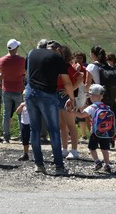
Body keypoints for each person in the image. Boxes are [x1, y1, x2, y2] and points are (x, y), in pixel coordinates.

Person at [24, 40, 76, 176]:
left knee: (34, 130)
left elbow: (27, 74)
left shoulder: (31, 53)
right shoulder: (57, 58)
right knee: (54, 130)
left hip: (30, 93)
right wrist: (72, 98)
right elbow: (67, 82)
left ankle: (39, 164)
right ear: (58, 49)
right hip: (47, 95)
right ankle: (59, 166)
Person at [75, 84, 112, 173]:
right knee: (104, 149)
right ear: (101, 96)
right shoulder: (106, 107)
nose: (89, 97)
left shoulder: (92, 107)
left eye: (90, 95)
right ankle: (107, 165)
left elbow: (82, 115)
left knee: (92, 148)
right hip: (106, 132)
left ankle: (97, 161)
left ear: (94, 96)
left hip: (95, 132)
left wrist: (73, 113)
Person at [0, 39, 26, 144]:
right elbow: (24, 71)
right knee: (21, 114)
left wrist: (1, 86)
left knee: (6, 114)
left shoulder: (1, 60)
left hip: (6, 89)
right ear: (16, 48)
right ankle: (23, 136)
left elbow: (0, 71)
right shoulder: (22, 60)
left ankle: (6, 137)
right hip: (18, 89)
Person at [56, 45, 83, 160]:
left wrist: (71, 89)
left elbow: (80, 77)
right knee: (61, 125)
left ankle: (74, 150)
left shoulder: (66, 66)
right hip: (57, 95)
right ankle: (65, 148)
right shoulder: (56, 66)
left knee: (70, 124)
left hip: (66, 97)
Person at [73, 52, 89, 142]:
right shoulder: (72, 67)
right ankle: (71, 134)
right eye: (77, 57)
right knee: (71, 112)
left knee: (81, 112)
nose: (78, 59)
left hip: (81, 93)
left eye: (80, 58)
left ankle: (83, 135)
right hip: (73, 92)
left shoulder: (84, 69)